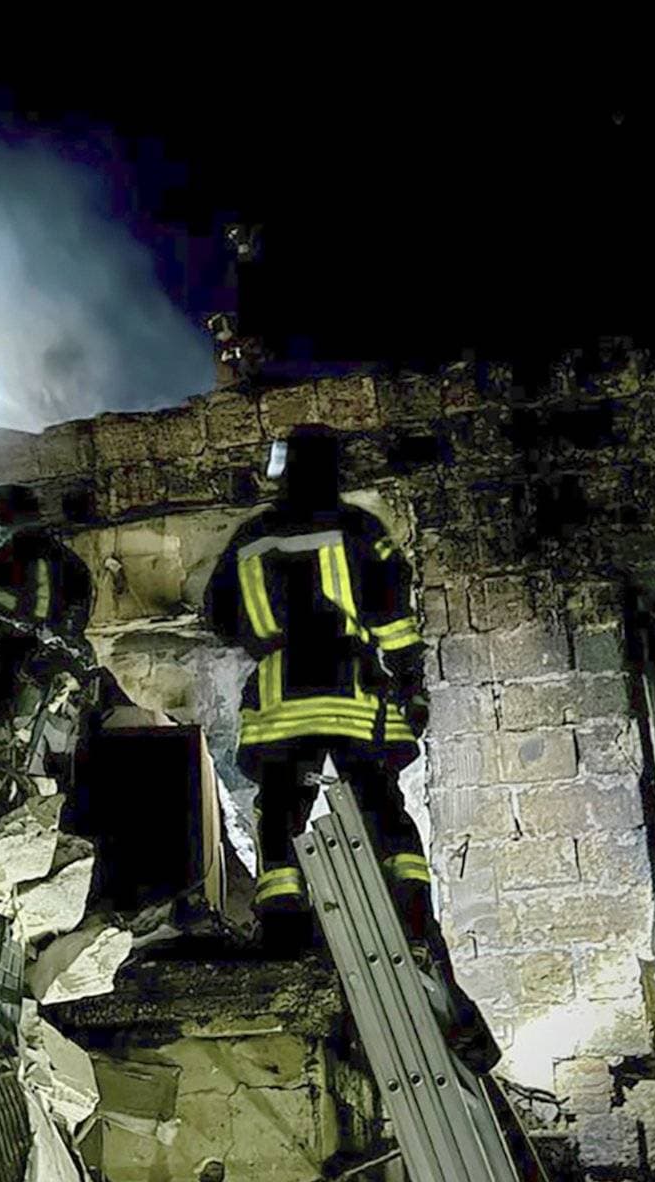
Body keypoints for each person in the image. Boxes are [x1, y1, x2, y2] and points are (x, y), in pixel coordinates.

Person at [204, 423, 499, 1073]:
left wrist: (271, 632)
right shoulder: (360, 528)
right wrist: (412, 687)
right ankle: (412, 918)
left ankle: (283, 923)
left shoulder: (249, 538)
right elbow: (396, 622)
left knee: (283, 812)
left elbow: (218, 615)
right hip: (353, 700)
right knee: (380, 808)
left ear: (282, 473)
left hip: (283, 706)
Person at [0, 483, 94, 639]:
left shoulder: (3, 558)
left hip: (31, 650)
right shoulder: (70, 559)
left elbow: (32, 611)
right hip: (73, 651)